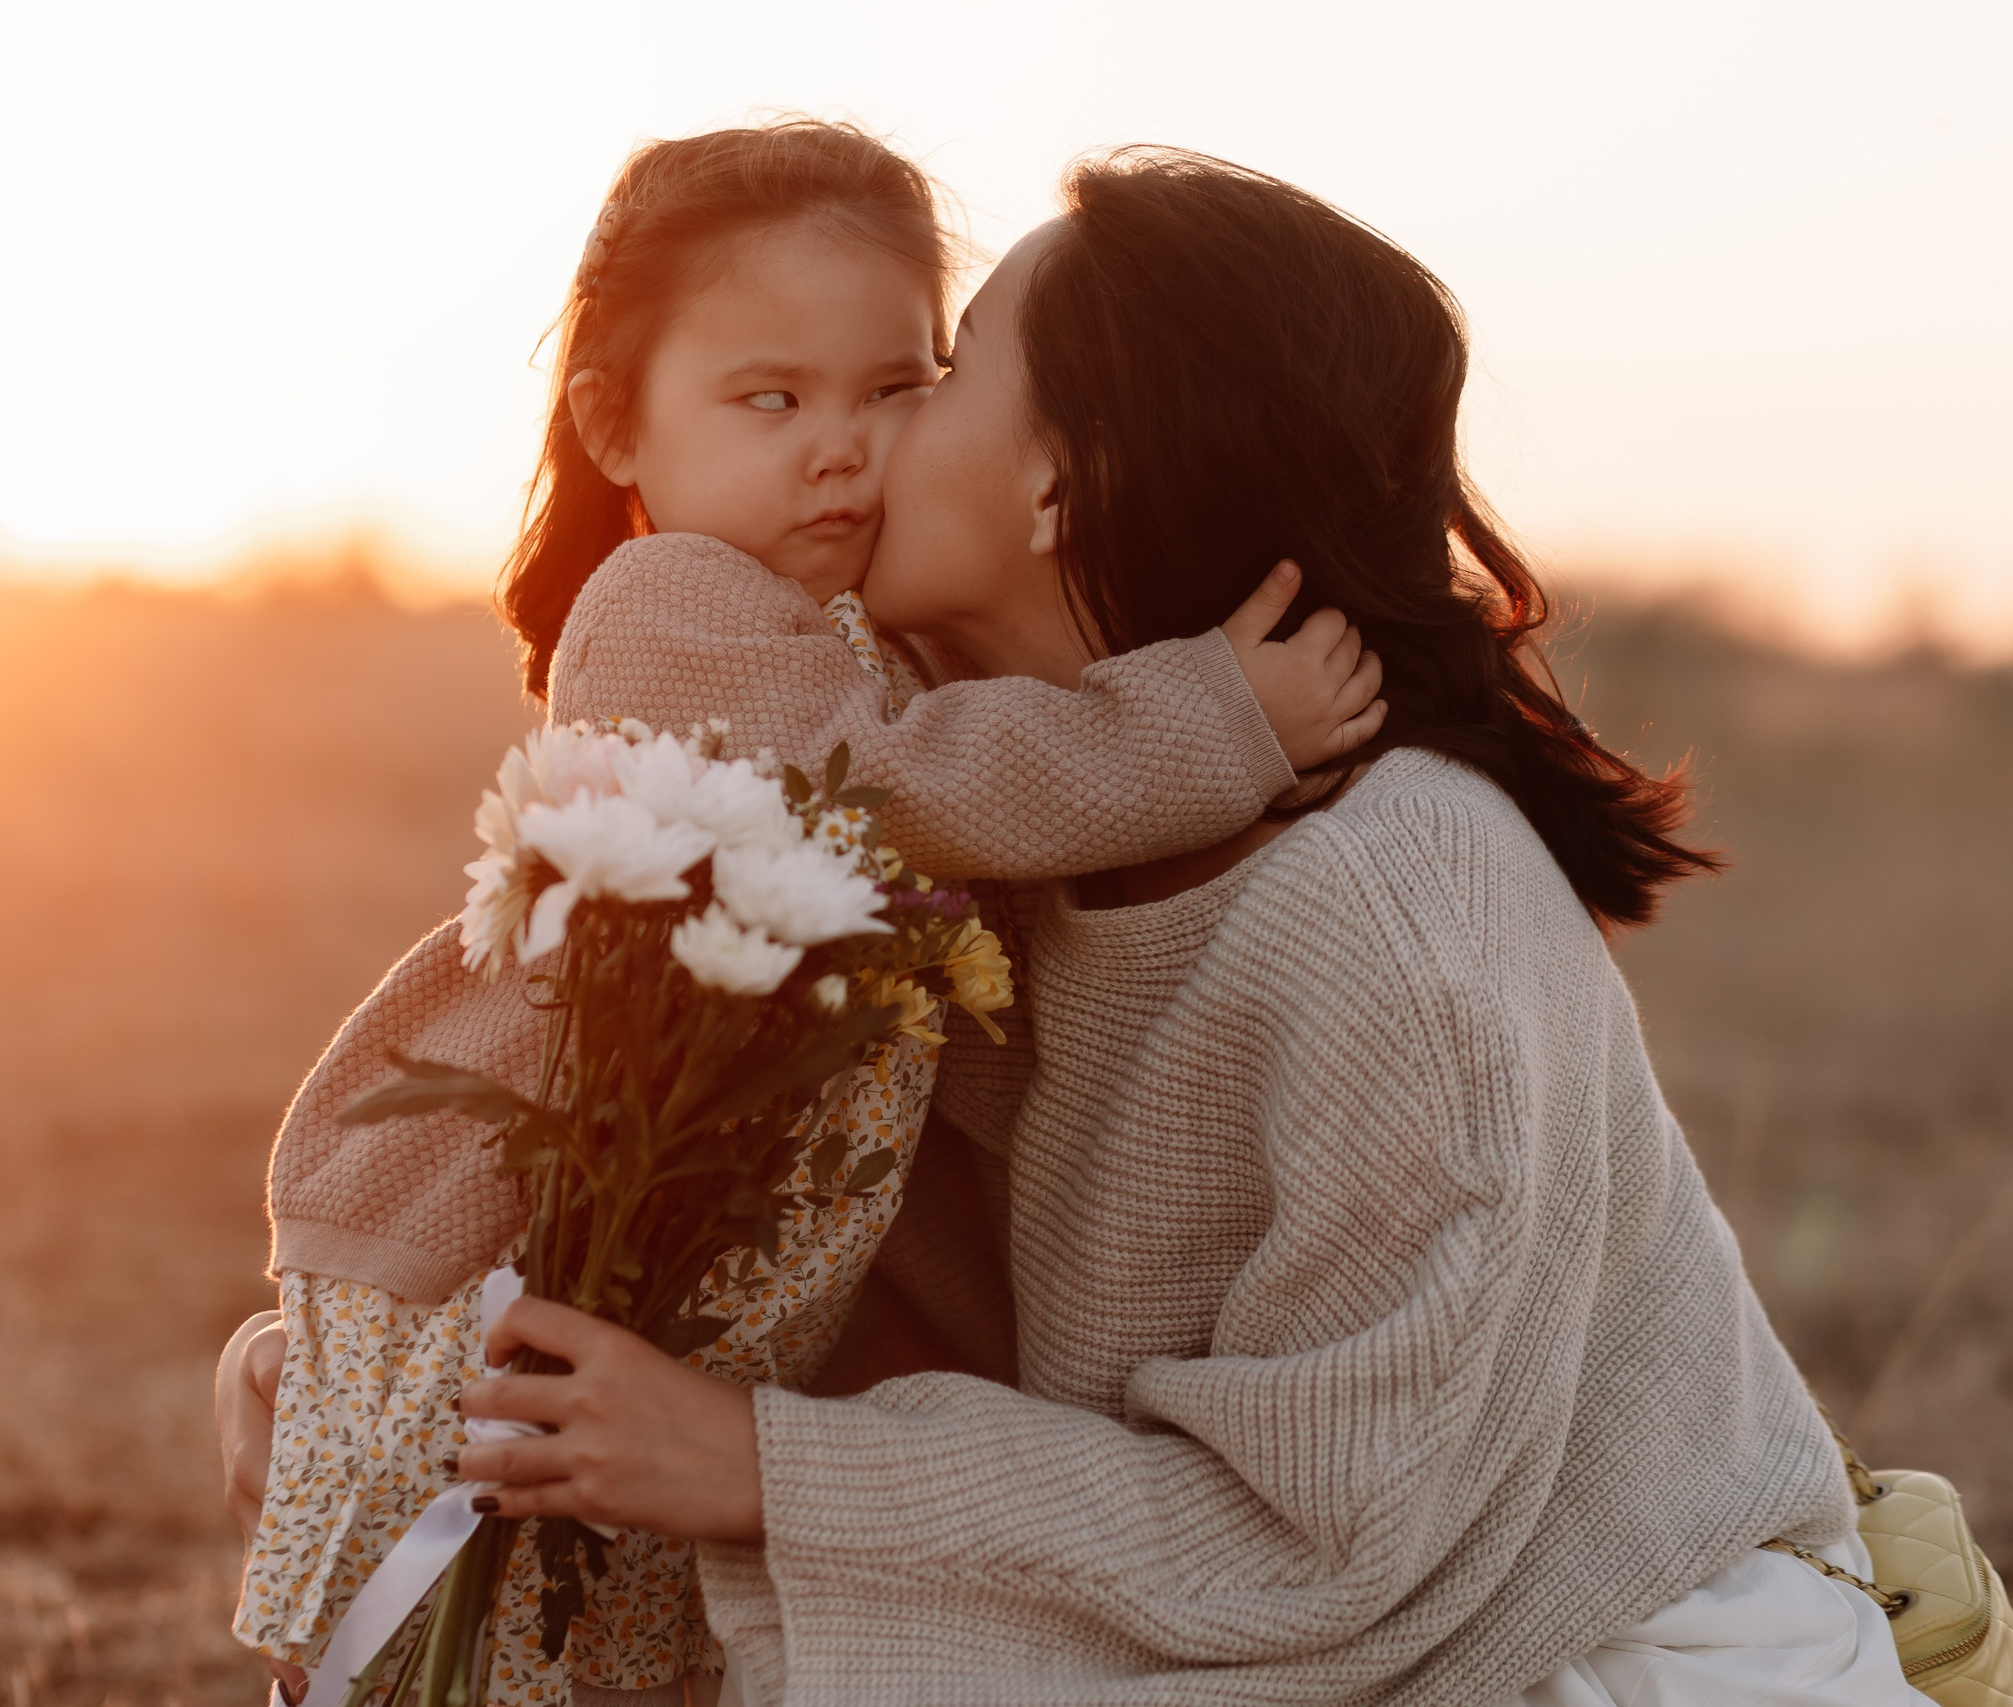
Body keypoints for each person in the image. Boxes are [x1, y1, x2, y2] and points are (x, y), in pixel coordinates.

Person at [361, 152, 1928, 1705]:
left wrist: (766, 1471)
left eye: (937, 371)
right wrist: (343, 1370)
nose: (857, 442)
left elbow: (1323, 1541)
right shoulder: (976, 795)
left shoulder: (1398, 910)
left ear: (1062, 481)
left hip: (1568, 1650)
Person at [228, 122, 1384, 1707]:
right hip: (535, 1232)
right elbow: (904, 789)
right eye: (771, 400)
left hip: (699, 1262)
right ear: (614, 426)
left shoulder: (852, 625)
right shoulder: (667, 609)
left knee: (620, 1628)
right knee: (463, 1601)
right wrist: (1215, 720)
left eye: (896, 388)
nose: (843, 446)